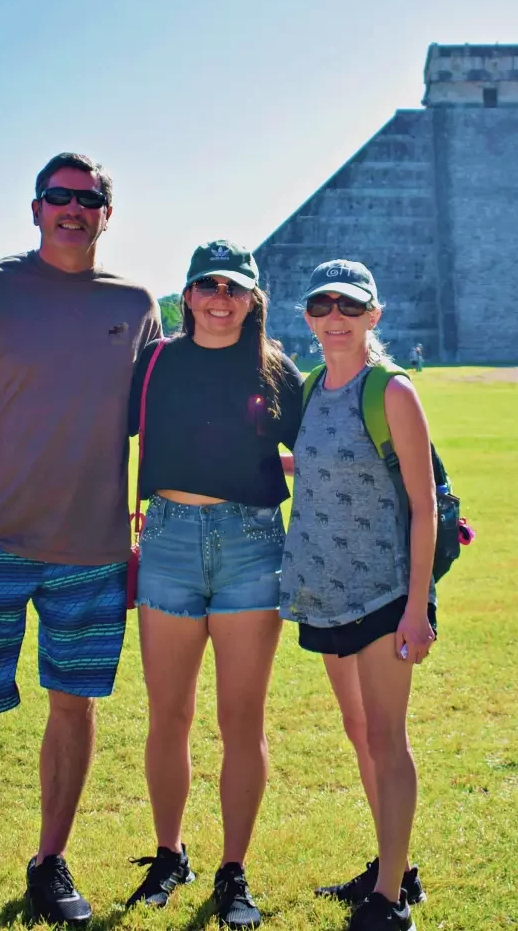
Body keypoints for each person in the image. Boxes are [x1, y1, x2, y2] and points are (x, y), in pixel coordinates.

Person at [0, 152, 162, 930]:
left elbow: (158, 425)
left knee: (74, 707)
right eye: (59, 196)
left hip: (90, 549)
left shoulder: (136, 303)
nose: (73, 208)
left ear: (108, 215)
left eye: (89, 199)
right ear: (35, 207)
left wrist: (148, 527)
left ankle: (50, 859)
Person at [122, 240, 303, 928]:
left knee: (240, 719)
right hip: (166, 539)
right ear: (188, 294)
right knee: (168, 714)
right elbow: (102, 431)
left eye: (234, 287)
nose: (220, 299)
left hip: (251, 546)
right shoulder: (157, 361)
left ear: (253, 297)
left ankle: (234, 869)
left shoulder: (274, 368)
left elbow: (317, 449)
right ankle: (169, 854)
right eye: (208, 285)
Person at [284, 260, 437, 931]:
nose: (335, 317)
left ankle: (390, 900)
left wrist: (416, 606)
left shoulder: (392, 391)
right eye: (323, 306)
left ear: (374, 315)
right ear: (310, 317)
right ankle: (392, 865)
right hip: (324, 588)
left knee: (385, 733)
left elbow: (424, 505)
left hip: (382, 591)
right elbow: (313, 459)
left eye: (350, 306)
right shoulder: (311, 387)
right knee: (358, 731)